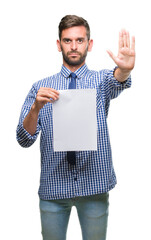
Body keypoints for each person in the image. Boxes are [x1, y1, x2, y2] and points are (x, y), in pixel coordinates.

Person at [16, 15, 135, 240]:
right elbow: (24, 139)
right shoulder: (41, 87)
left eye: (79, 40)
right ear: (59, 44)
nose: (73, 46)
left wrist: (125, 70)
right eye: (68, 40)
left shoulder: (101, 81)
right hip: (54, 188)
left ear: (89, 44)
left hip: (94, 186)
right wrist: (35, 108)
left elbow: (117, 79)